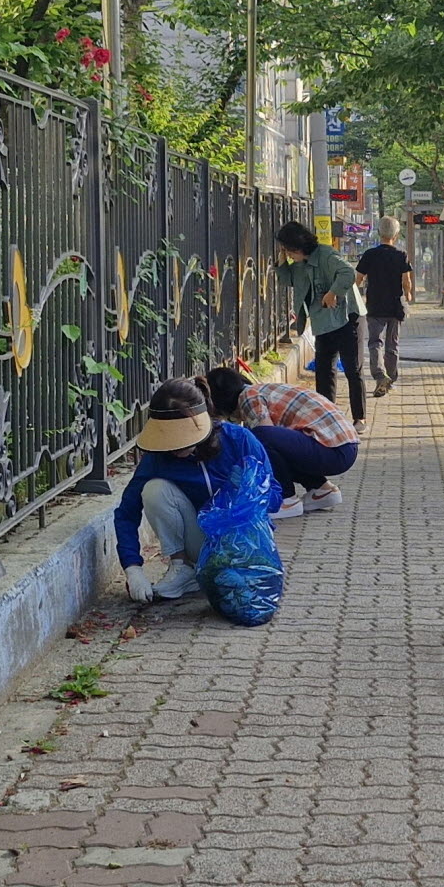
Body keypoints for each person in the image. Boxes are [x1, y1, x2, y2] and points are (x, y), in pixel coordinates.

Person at [114, 377, 282, 602]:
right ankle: (182, 568)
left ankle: (217, 574)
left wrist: (248, 490)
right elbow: (126, 511)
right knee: (154, 489)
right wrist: (132, 568)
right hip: (201, 541)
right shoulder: (157, 459)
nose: (174, 448)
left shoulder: (239, 440)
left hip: (245, 542)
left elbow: (276, 495)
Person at [205, 366, 359, 517]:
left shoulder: (248, 396)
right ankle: (320, 489)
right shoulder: (263, 390)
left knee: (258, 439)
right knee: (274, 447)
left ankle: (286, 499)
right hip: (344, 447)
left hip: (332, 449)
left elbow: (264, 442)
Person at [274, 221, 366, 431]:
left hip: (346, 317)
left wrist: (333, 292)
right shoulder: (298, 263)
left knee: (353, 369)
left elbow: (347, 273)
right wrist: (281, 260)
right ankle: (327, 416)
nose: (288, 254)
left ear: (297, 247)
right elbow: (287, 279)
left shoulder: (326, 256)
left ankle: (359, 418)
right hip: (323, 321)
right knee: (324, 371)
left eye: (287, 250)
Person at [358, 218, 413, 397]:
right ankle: (391, 378)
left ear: (379, 233)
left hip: (374, 305)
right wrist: (409, 294)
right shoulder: (401, 255)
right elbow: (406, 281)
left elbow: (357, 279)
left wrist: (357, 295)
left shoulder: (369, 255)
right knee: (392, 344)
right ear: (395, 236)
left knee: (375, 342)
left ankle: (380, 376)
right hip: (395, 306)